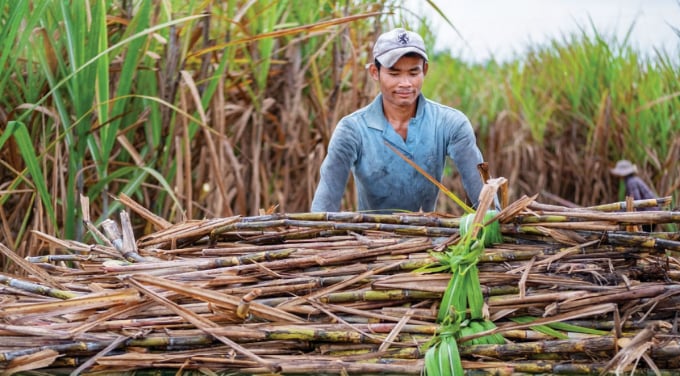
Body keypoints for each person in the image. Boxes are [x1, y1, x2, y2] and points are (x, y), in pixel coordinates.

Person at [311, 27, 487, 213]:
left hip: (429, 237)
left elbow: (484, 196)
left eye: (413, 73)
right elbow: (325, 203)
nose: (405, 83)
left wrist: (491, 225)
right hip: (369, 238)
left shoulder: (450, 124)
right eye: (394, 74)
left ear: (424, 70)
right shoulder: (352, 130)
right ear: (374, 72)